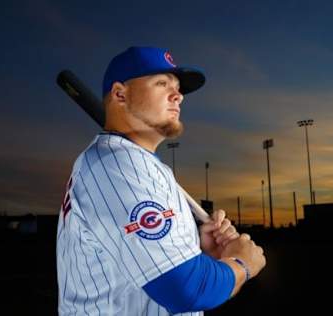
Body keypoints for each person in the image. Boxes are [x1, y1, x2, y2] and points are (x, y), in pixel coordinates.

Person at [56, 46, 266, 315]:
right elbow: (184, 288)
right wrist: (242, 264)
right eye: (162, 83)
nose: (178, 95)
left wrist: (196, 250)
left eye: (178, 87)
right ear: (120, 94)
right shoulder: (118, 165)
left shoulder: (139, 164)